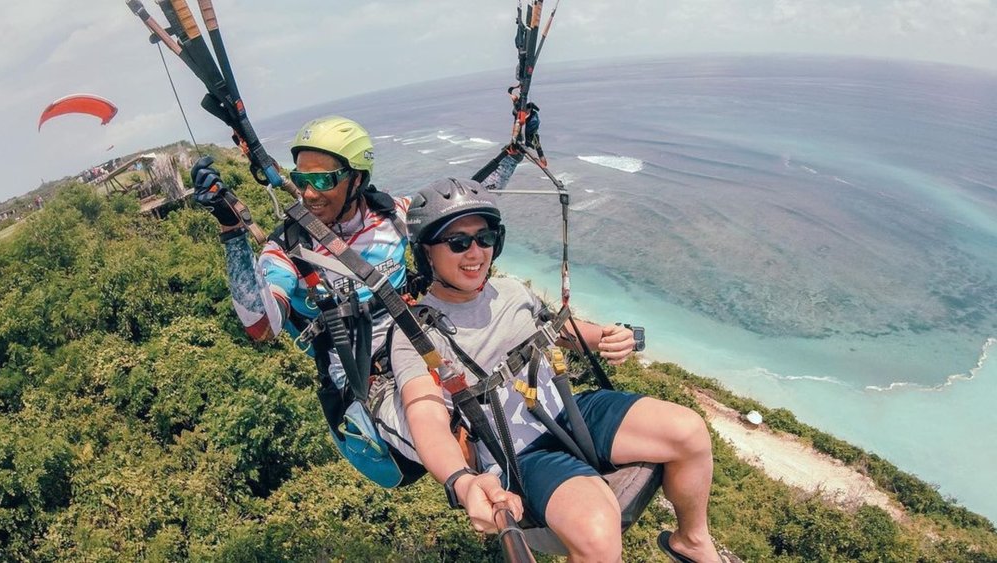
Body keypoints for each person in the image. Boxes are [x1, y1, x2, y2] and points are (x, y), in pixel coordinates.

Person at [385, 178, 724, 562]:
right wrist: (461, 482)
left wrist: (608, 337)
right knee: (598, 536)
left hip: (568, 412)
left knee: (689, 432)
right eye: (458, 242)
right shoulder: (416, 332)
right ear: (426, 252)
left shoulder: (512, 291)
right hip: (517, 454)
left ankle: (691, 541)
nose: (475, 253)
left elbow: (559, 330)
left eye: (485, 237)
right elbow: (424, 414)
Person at [191, 116, 524, 481]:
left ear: (357, 179)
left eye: (323, 180)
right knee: (464, 445)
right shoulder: (287, 249)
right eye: (302, 180)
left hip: (424, 342)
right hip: (370, 377)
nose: (309, 193)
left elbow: (461, 210)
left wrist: (513, 152)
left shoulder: (393, 215)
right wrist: (231, 231)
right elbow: (261, 326)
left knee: (517, 382)